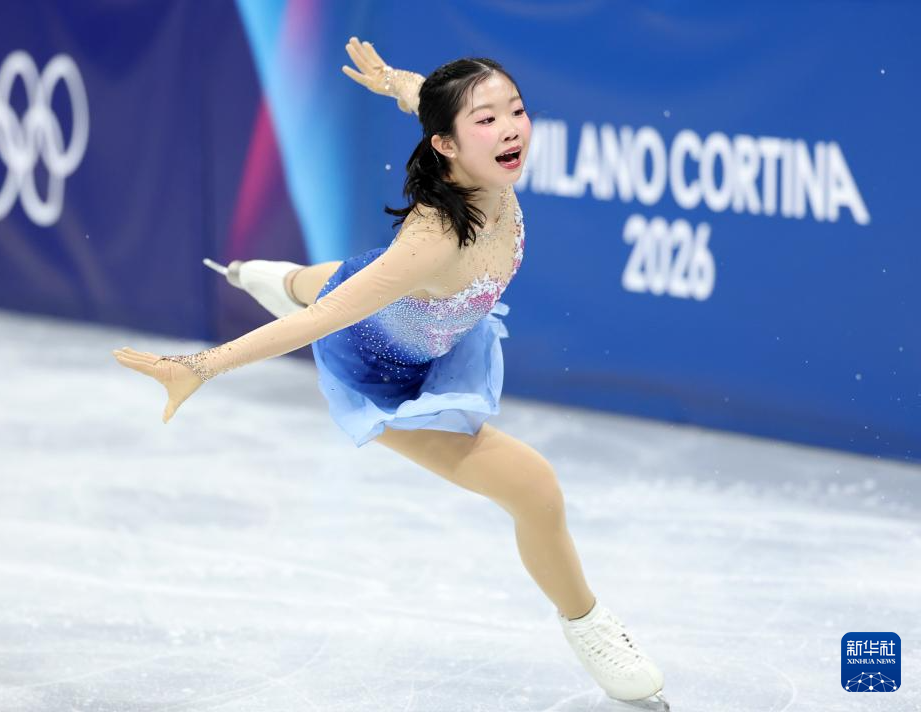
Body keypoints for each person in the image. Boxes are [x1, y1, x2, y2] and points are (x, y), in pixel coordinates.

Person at [112, 37, 669, 710]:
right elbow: (325, 322)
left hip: (413, 315)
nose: (510, 128)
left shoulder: (482, 170)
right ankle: (589, 625)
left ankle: (266, 277)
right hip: (380, 373)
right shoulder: (432, 242)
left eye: (516, 110)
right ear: (447, 145)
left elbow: (420, 99)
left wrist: (394, 82)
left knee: (323, 283)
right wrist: (200, 365)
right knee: (536, 489)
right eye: (487, 119)